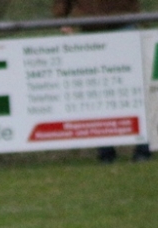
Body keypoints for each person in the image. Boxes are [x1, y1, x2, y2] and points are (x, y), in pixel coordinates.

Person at [52, 0, 152, 163]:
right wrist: (61, 18)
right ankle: (107, 151)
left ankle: (142, 148)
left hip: (122, 25)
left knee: (133, 90)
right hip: (91, 29)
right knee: (97, 92)